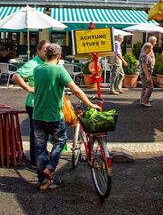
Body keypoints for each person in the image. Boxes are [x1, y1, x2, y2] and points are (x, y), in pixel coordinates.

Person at [24, 44, 100, 189]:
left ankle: (44, 182)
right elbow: (76, 89)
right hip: (53, 115)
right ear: (58, 56)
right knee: (61, 140)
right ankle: (50, 167)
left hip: (37, 115)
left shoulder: (37, 70)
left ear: (46, 55)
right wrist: (90, 104)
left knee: (40, 147)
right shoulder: (59, 70)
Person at [12, 40, 49, 166]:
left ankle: (40, 156)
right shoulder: (33, 64)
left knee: (44, 132)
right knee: (36, 133)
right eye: (45, 50)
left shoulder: (49, 62)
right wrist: (29, 88)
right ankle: (35, 160)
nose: (48, 52)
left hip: (45, 104)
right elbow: (16, 76)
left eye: (49, 50)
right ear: (38, 51)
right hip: (34, 103)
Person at [138, 43, 155, 107]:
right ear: (146, 48)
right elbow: (144, 66)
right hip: (145, 74)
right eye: (150, 49)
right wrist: (148, 76)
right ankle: (145, 101)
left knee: (144, 87)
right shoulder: (144, 55)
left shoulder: (144, 55)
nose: (150, 50)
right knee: (150, 87)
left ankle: (142, 100)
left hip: (144, 73)